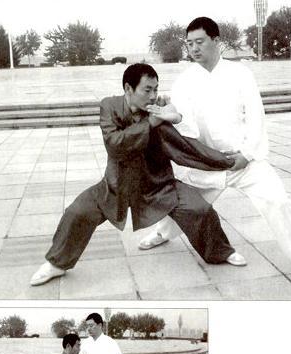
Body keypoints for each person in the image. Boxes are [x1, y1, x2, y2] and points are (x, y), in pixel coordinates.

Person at [139, 17, 291, 291]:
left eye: (200, 42)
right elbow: (185, 125)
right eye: (190, 43)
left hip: (244, 161)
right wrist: (173, 116)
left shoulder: (240, 74)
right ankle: (162, 233)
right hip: (206, 162)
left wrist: (247, 154)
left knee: (277, 201)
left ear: (216, 41)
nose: (194, 48)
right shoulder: (185, 81)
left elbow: (255, 117)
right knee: (188, 206)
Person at [30, 63, 248, 286]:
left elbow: (184, 147)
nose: (153, 96)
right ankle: (56, 264)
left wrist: (227, 161)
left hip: (158, 184)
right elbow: (114, 144)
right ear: (128, 88)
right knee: (77, 212)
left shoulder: (157, 111)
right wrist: (150, 123)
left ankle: (219, 252)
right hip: (115, 186)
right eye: (147, 90)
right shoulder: (110, 106)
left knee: (199, 209)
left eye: (156, 89)